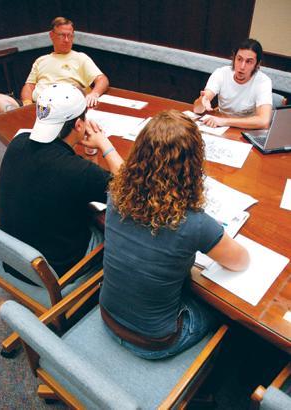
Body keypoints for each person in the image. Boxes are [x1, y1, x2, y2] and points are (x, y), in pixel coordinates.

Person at [99, 110, 249, 360]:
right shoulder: (195, 224)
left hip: (107, 315)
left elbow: (122, 172)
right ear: (193, 166)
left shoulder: (116, 193)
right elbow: (240, 261)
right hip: (154, 341)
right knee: (221, 309)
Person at [0, 83, 122, 283]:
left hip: (14, 258)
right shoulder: (78, 171)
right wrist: (104, 143)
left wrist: (91, 153)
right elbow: (130, 191)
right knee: (115, 233)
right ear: (79, 125)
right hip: (52, 270)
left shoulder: (18, 141)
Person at [0, 16, 109, 113]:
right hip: (37, 106)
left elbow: (102, 79)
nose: (67, 40)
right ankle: (24, 117)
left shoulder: (80, 57)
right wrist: (27, 103)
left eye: (70, 35)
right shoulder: (41, 60)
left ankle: (23, 121)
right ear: (52, 36)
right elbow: (29, 86)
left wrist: (94, 94)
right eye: (62, 35)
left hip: (63, 106)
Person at [193, 39, 272, 129]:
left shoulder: (263, 81)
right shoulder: (221, 73)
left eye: (249, 61)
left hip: (246, 128)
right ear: (234, 58)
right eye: (239, 59)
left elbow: (264, 121)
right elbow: (198, 109)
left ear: (257, 64)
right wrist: (202, 101)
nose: (242, 67)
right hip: (221, 126)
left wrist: (225, 122)